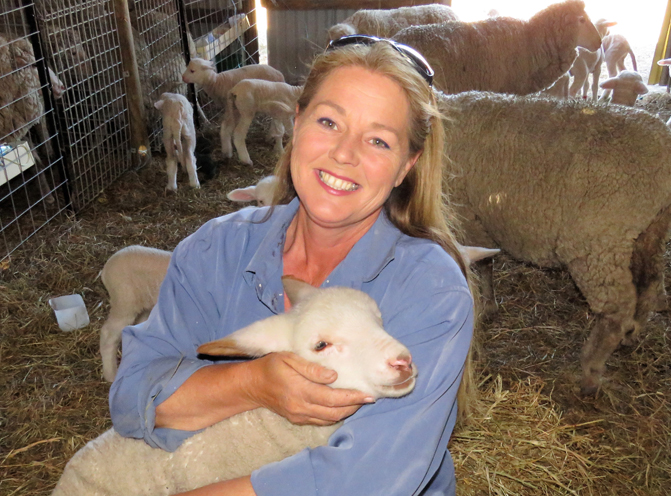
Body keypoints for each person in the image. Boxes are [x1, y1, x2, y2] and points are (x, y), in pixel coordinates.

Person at [109, 35, 475, 495]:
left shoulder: (429, 290)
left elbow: (371, 481)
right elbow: (132, 397)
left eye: (379, 140)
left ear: (406, 166)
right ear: (296, 122)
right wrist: (253, 383)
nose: (345, 153)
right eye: (329, 122)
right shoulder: (215, 251)